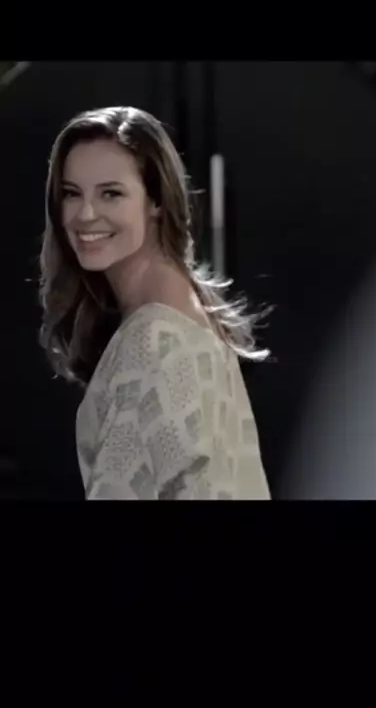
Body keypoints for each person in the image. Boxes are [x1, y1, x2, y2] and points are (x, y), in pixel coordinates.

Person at [39, 106, 271, 500]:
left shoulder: (154, 336)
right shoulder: (185, 310)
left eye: (111, 193)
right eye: (71, 193)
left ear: (156, 200)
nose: (86, 214)